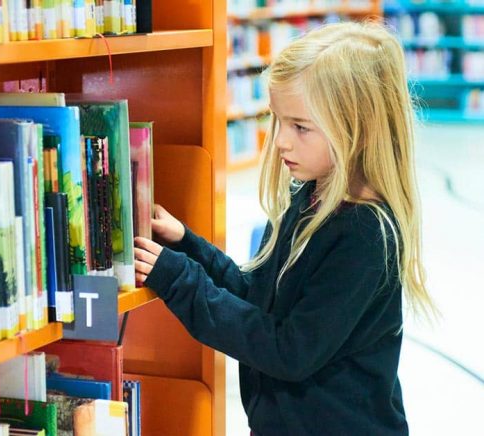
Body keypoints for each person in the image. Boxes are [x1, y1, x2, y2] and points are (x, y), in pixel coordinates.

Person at [134, 21, 436, 435]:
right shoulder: (311, 196)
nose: (280, 141)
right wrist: (188, 247)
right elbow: (257, 299)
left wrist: (180, 280)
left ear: (358, 129)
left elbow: (288, 350)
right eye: (277, 121)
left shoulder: (366, 235)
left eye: (300, 127)